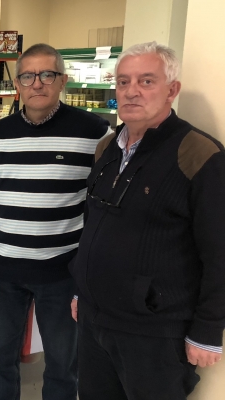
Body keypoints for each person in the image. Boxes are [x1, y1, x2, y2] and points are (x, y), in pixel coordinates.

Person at [70, 41, 225, 400]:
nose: (131, 91)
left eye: (146, 81)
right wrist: (81, 287)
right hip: (95, 320)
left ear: (172, 90)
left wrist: (207, 330)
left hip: (153, 332)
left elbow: (219, 253)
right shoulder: (107, 149)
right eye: (123, 82)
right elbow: (92, 223)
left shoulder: (198, 154)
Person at [0, 43, 110, 400]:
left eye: (48, 74)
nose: (38, 83)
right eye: (28, 76)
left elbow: (100, 210)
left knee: (63, 363)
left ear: (62, 80)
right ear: (17, 83)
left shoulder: (95, 133)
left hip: (63, 273)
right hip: (4, 273)